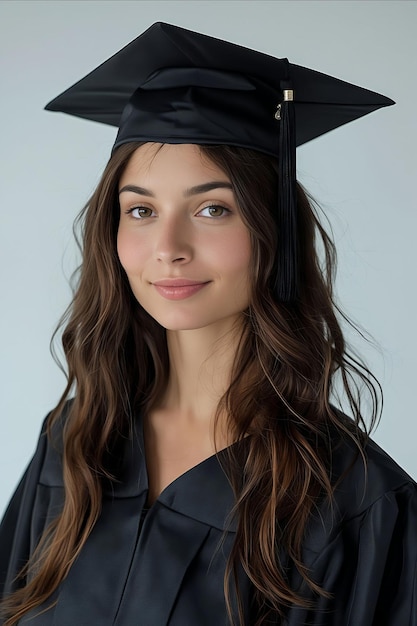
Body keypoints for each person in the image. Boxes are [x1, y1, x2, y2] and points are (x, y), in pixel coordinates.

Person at [0, 21, 416, 626]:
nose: (168, 246)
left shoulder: (356, 503)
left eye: (212, 209)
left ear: (272, 231)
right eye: (140, 209)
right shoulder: (76, 441)